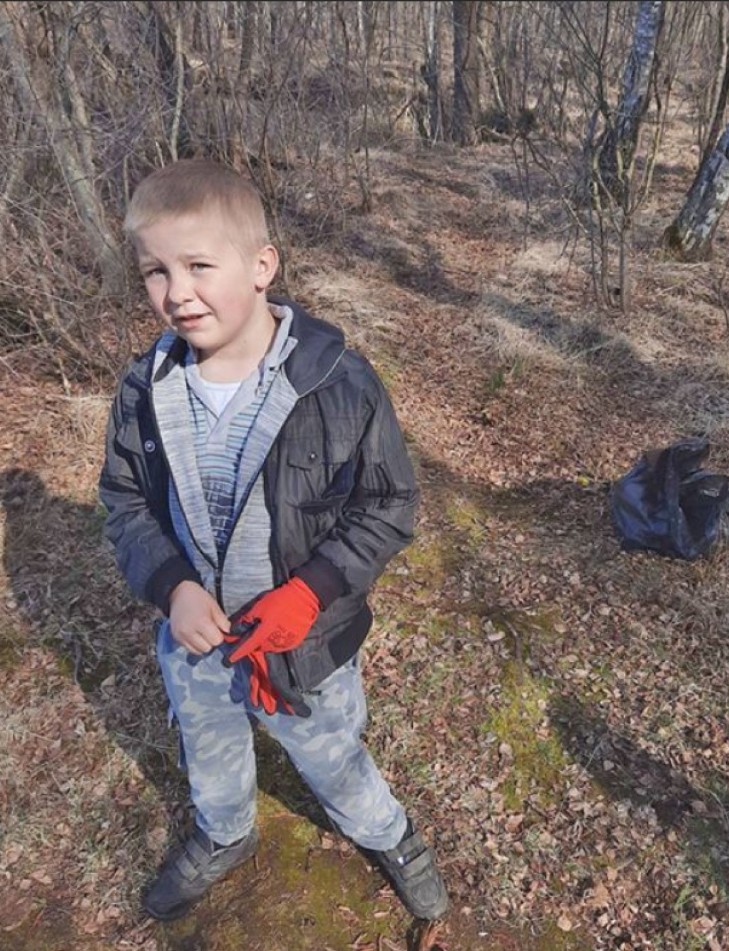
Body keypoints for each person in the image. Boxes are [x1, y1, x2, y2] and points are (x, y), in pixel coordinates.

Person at [99, 159, 449, 922]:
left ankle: (391, 834)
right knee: (210, 751)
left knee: (333, 756)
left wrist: (314, 588)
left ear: (262, 266)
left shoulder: (338, 383)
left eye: (198, 265)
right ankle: (226, 834)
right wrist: (170, 585)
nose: (177, 292)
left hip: (306, 648)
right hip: (198, 643)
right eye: (155, 270)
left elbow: (390, 501)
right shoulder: (143, 390)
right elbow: (124, 501)